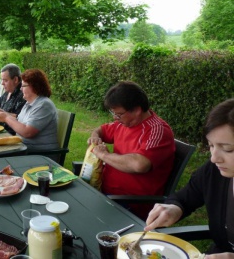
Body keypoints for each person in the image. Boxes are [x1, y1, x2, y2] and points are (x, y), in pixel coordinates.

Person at [145, 98, 234, 257]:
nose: (214, 158)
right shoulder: (214, 172)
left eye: (227, 149)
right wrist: (173, 209)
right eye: (211, 146)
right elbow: (185, 197)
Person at [87, 81, 175, 218]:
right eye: (113, 113)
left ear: (137, 110)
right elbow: (101, 130)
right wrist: (95, 136)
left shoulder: (157, 130)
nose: (115, 118)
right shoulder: (123, 124)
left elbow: (140, 164)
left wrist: (103, 154)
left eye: (119, 114)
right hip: (105, 192)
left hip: (131, 204)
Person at [0, 69, 59, 151]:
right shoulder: (30, 103)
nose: (20, 89)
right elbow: (20, 121)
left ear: (34, 87)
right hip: (24, 148)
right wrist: (4, 114)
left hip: (39, 153)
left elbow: (27, 132)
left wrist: (6, 118)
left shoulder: (44, 105)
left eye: (23, 86)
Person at [0, 63, 26, 135]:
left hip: (10, 134)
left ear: (15, 79)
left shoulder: (23, 95)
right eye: (1, 80)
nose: (2, 83)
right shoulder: (8, 91)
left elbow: (20, 118)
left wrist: (5, 116)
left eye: (5, 80)